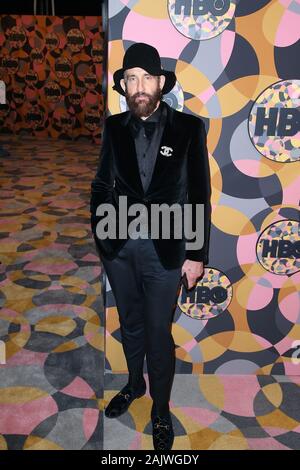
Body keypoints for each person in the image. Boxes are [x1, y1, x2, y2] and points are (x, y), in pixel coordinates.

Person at [90, 42, 211, 451]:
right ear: (123, 86)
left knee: (159, 333)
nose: (138, 87)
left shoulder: (188, 129)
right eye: (130, 80)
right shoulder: (113, 127)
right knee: (130, 324)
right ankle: (132, 385)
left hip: (167, 250)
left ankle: (160, 410)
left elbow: (198, 194)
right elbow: (101, 184)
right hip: (120, 249)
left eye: (145, 78)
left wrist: (196, 254)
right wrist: (104, 239)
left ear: (161, 82)